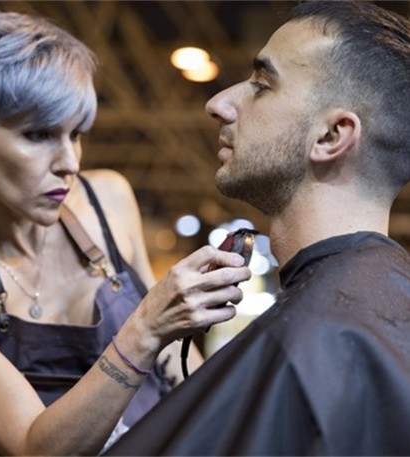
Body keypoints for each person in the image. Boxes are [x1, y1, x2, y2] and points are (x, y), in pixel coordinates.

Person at [0, 2, 250, 455]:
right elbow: (35, 448)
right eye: (38, 135)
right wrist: (145, 328)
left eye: (75, 134)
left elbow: (171, 363)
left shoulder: (106, 199)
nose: (70, 163)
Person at [105, 1, 410, 455]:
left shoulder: (305, 341)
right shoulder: (378, 317)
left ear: (331, 136)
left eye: (262, 86)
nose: (217, 104)